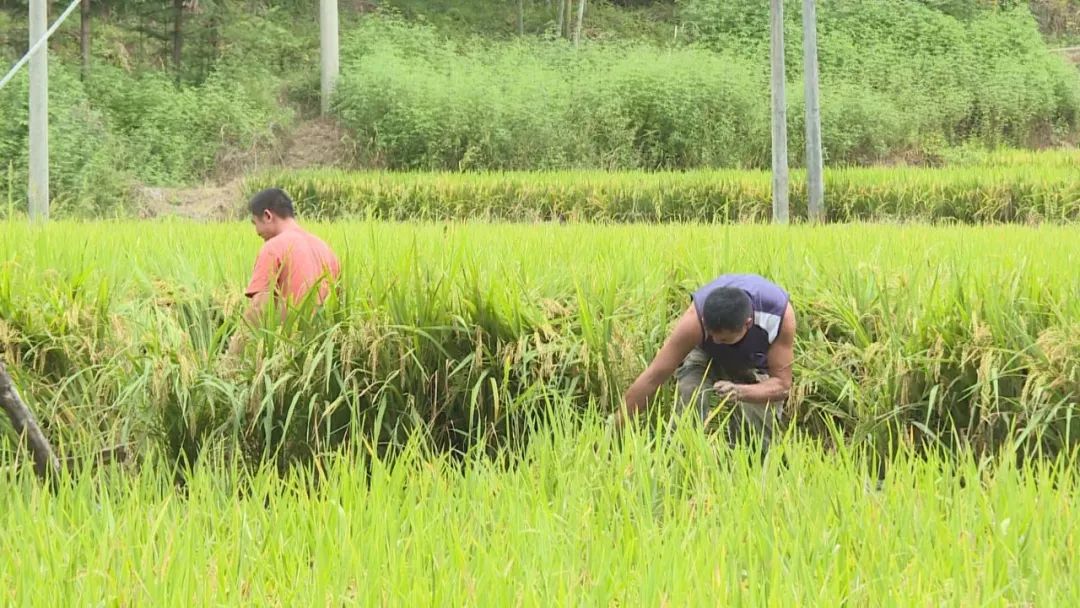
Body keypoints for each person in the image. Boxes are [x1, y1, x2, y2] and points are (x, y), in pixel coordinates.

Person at [619, 274, 796, 450]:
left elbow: (782, 385)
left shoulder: (779, 316)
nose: (718, 342)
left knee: (756, 423)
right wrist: (617, 425)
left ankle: (748, 467)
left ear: (747, 324)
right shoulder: (694, 321)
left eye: (724, 340)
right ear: (704, 322)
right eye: (713, 336)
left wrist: (741, 391)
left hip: (755, 361)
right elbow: (654, 376)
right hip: (704, 352)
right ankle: (681, 456)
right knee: (691, 392)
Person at [241, 187, 341, 326]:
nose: (257, 231)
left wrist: (231, 347)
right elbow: (337, 306)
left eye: (255, 223)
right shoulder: (326, 250)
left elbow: (259, 308)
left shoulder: (273, 248)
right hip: (322, 344)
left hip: (289, 343)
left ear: (267, 216)